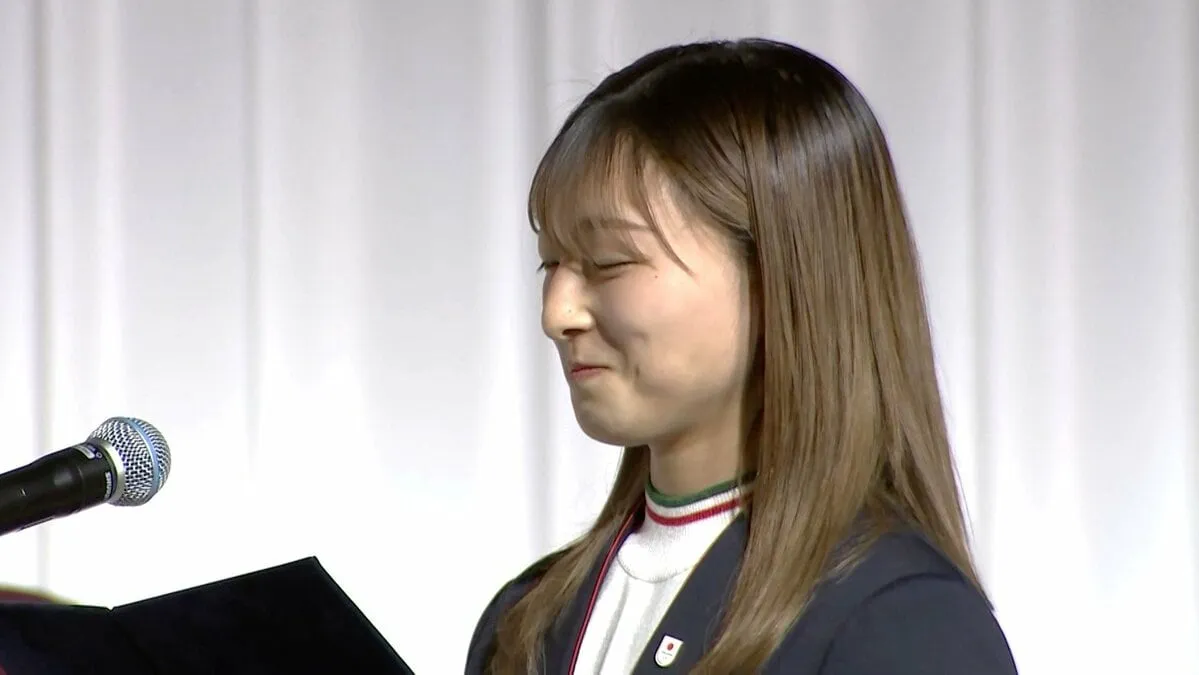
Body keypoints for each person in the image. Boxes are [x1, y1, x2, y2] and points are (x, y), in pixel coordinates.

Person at [465, 38, 1019, 674]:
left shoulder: (903, 624)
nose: (556, 313)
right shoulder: (526, 622)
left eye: (609, 262)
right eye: (550, 264)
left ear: (781, 275)